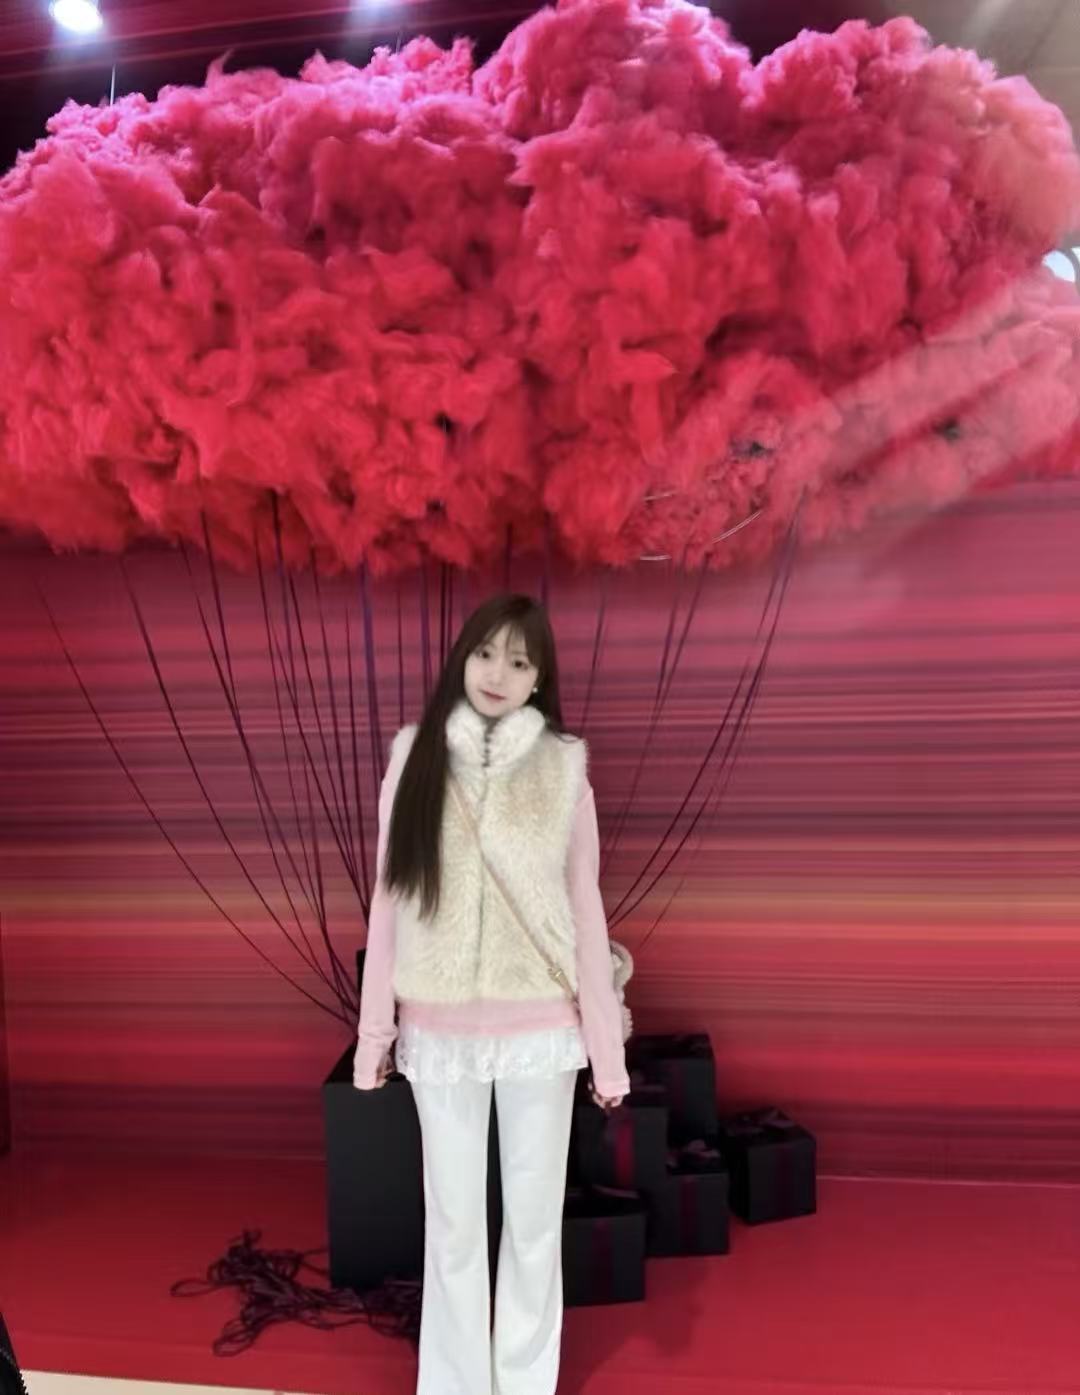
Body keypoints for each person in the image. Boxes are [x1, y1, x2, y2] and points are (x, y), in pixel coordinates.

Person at [353, 590, 630, 1395]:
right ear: (461, 657)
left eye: (517, 659)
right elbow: (389, 902)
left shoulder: (562, 768)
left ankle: (524, 1382)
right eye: (484, 652)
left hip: (540, 1031)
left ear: (539, 676)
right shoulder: (414, 759)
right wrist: (375, 1038)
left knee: (534, 1225)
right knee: (453, 1225)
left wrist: (606, 1056)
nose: (496, 672)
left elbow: (585, 910)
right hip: (438, 1032)